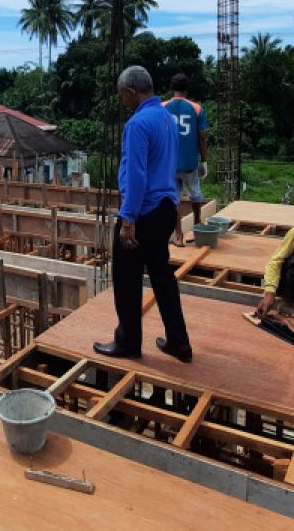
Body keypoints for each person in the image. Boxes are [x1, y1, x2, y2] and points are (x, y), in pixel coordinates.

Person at [94, 66, 194, 363]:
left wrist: (128, 220)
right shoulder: (166, 118)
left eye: (122, 96)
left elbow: (136, 177)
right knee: (162, 276)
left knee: (126, 278)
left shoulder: (137, 124)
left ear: (130, 92)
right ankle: (179, 342)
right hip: (166, 208)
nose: (122, 101)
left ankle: (127, 342)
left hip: (144, 212)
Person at [163, 73, 209, 246]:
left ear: (172, 88)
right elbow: (202, 137)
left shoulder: (162, 107)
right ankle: (197, 229)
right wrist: (204, 160)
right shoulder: (197, 109)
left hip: (169, 164)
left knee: (173, 199)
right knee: (195, 194)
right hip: (190, 163)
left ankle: (178, 236)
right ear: (187, 89)